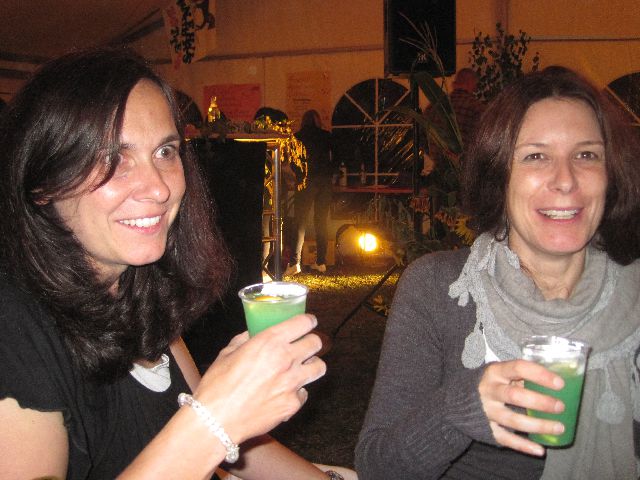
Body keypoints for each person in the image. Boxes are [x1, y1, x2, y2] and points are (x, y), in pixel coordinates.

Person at [0, 48, 341, 480]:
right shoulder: (13, 327)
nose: (158, 188)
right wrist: (214, 419)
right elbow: (207, 431)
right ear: (43, 182)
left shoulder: (140, 289)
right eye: (113, 158)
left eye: (165, 151)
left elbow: (230, 447)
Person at [356, 66, 640, 479]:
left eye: (586, 155)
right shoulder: (438, 288)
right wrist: (460, 410)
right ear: (499, 175)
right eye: (536, 156)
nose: (565, 181)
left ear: (611, 174)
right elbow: (378, 466)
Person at [285, 109, 335, 275]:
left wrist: (299, 174)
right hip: (324, 182)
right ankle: (321, 262)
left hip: (305, 181)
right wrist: (331, 171)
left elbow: (293, 161)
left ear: (303, 121)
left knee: (300, 222)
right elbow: (337, 155)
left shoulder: (297, 137)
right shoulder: (326, 136)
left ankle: (294, 263)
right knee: (321, 221)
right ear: (318, 120)